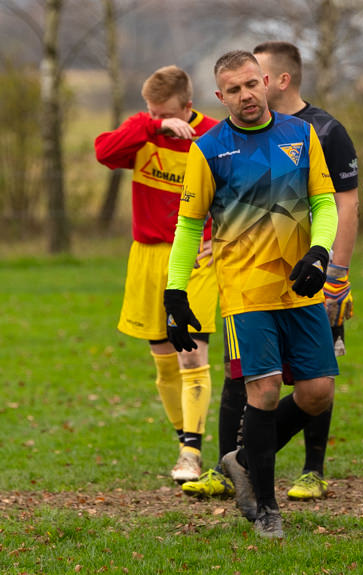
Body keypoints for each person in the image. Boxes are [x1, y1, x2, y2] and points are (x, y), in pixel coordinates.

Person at [163, 50, 339, 539]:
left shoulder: (301, 136)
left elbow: (324, 202)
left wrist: (320, 252)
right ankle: (265, 505)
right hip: (245, 294)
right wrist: (175, 292)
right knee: (262, 391)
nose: (245, 96)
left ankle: (241, 459)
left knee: (317, 394)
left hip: (300, 287)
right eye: (233, 91)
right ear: (220, 98)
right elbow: (187, 225)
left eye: (250, 85)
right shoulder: (208, 149)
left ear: (266, 82)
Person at [94, 66, 219, 486]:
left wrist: (219, 236)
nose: (161, 119)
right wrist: (151, 125)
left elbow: (244, 193)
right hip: (147, 257)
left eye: (167, 112)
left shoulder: (215, 136)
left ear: (188, 105)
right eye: (151, 111)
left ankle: (191, 453)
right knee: (165, 363)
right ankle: (185, 439)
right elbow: (104, 152)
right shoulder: (144, 132)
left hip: (195, 258)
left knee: (191, 352)